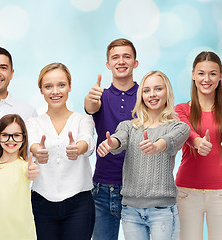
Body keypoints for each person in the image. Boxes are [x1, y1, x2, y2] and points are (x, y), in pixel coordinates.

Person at [96, 71, 190, 240]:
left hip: (162, 210)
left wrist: (156, 146)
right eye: (146, 90)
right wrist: (111, 144)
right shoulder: (129, 126)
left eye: (158, 89)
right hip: (131, 211)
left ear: (167, 92)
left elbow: (169, 140)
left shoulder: (178, 127)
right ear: (141, 96)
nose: (152, 94)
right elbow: (120, 138)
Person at [174, 51, 222, 240]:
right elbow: (185, 130)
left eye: (212, 73)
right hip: (186, 193)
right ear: (193, 75)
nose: (206, 79)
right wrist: (197, 142)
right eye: (201, 73)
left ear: (220, 76)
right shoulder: (181, 110)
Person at [27, 63, 96, 239]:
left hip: (79, 202)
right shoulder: (33, 123)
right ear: (41, 90)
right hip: (42, 202)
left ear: (70, 87)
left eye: (61, 85)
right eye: (48, 86)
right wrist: (37, 151)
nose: (55, 91)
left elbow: (87, 141)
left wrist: (78, 149)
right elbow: (32, 144)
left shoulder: (83, 120)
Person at [84, 38, 140, 240]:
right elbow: (91, 107)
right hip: (103, 189)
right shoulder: (100, 96)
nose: (121, 61)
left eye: (127, 56)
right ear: (108, 65)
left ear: (135, 62)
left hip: (139, 188)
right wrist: (90, 99)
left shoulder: (146, 96)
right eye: (115, 57)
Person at [0, 114, 39, 240]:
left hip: (23, 235)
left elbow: (32, 174)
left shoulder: (26, 167)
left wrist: (33, 171)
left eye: (16, 135)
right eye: (5, 135)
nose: (11, 140)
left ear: (24, 139)